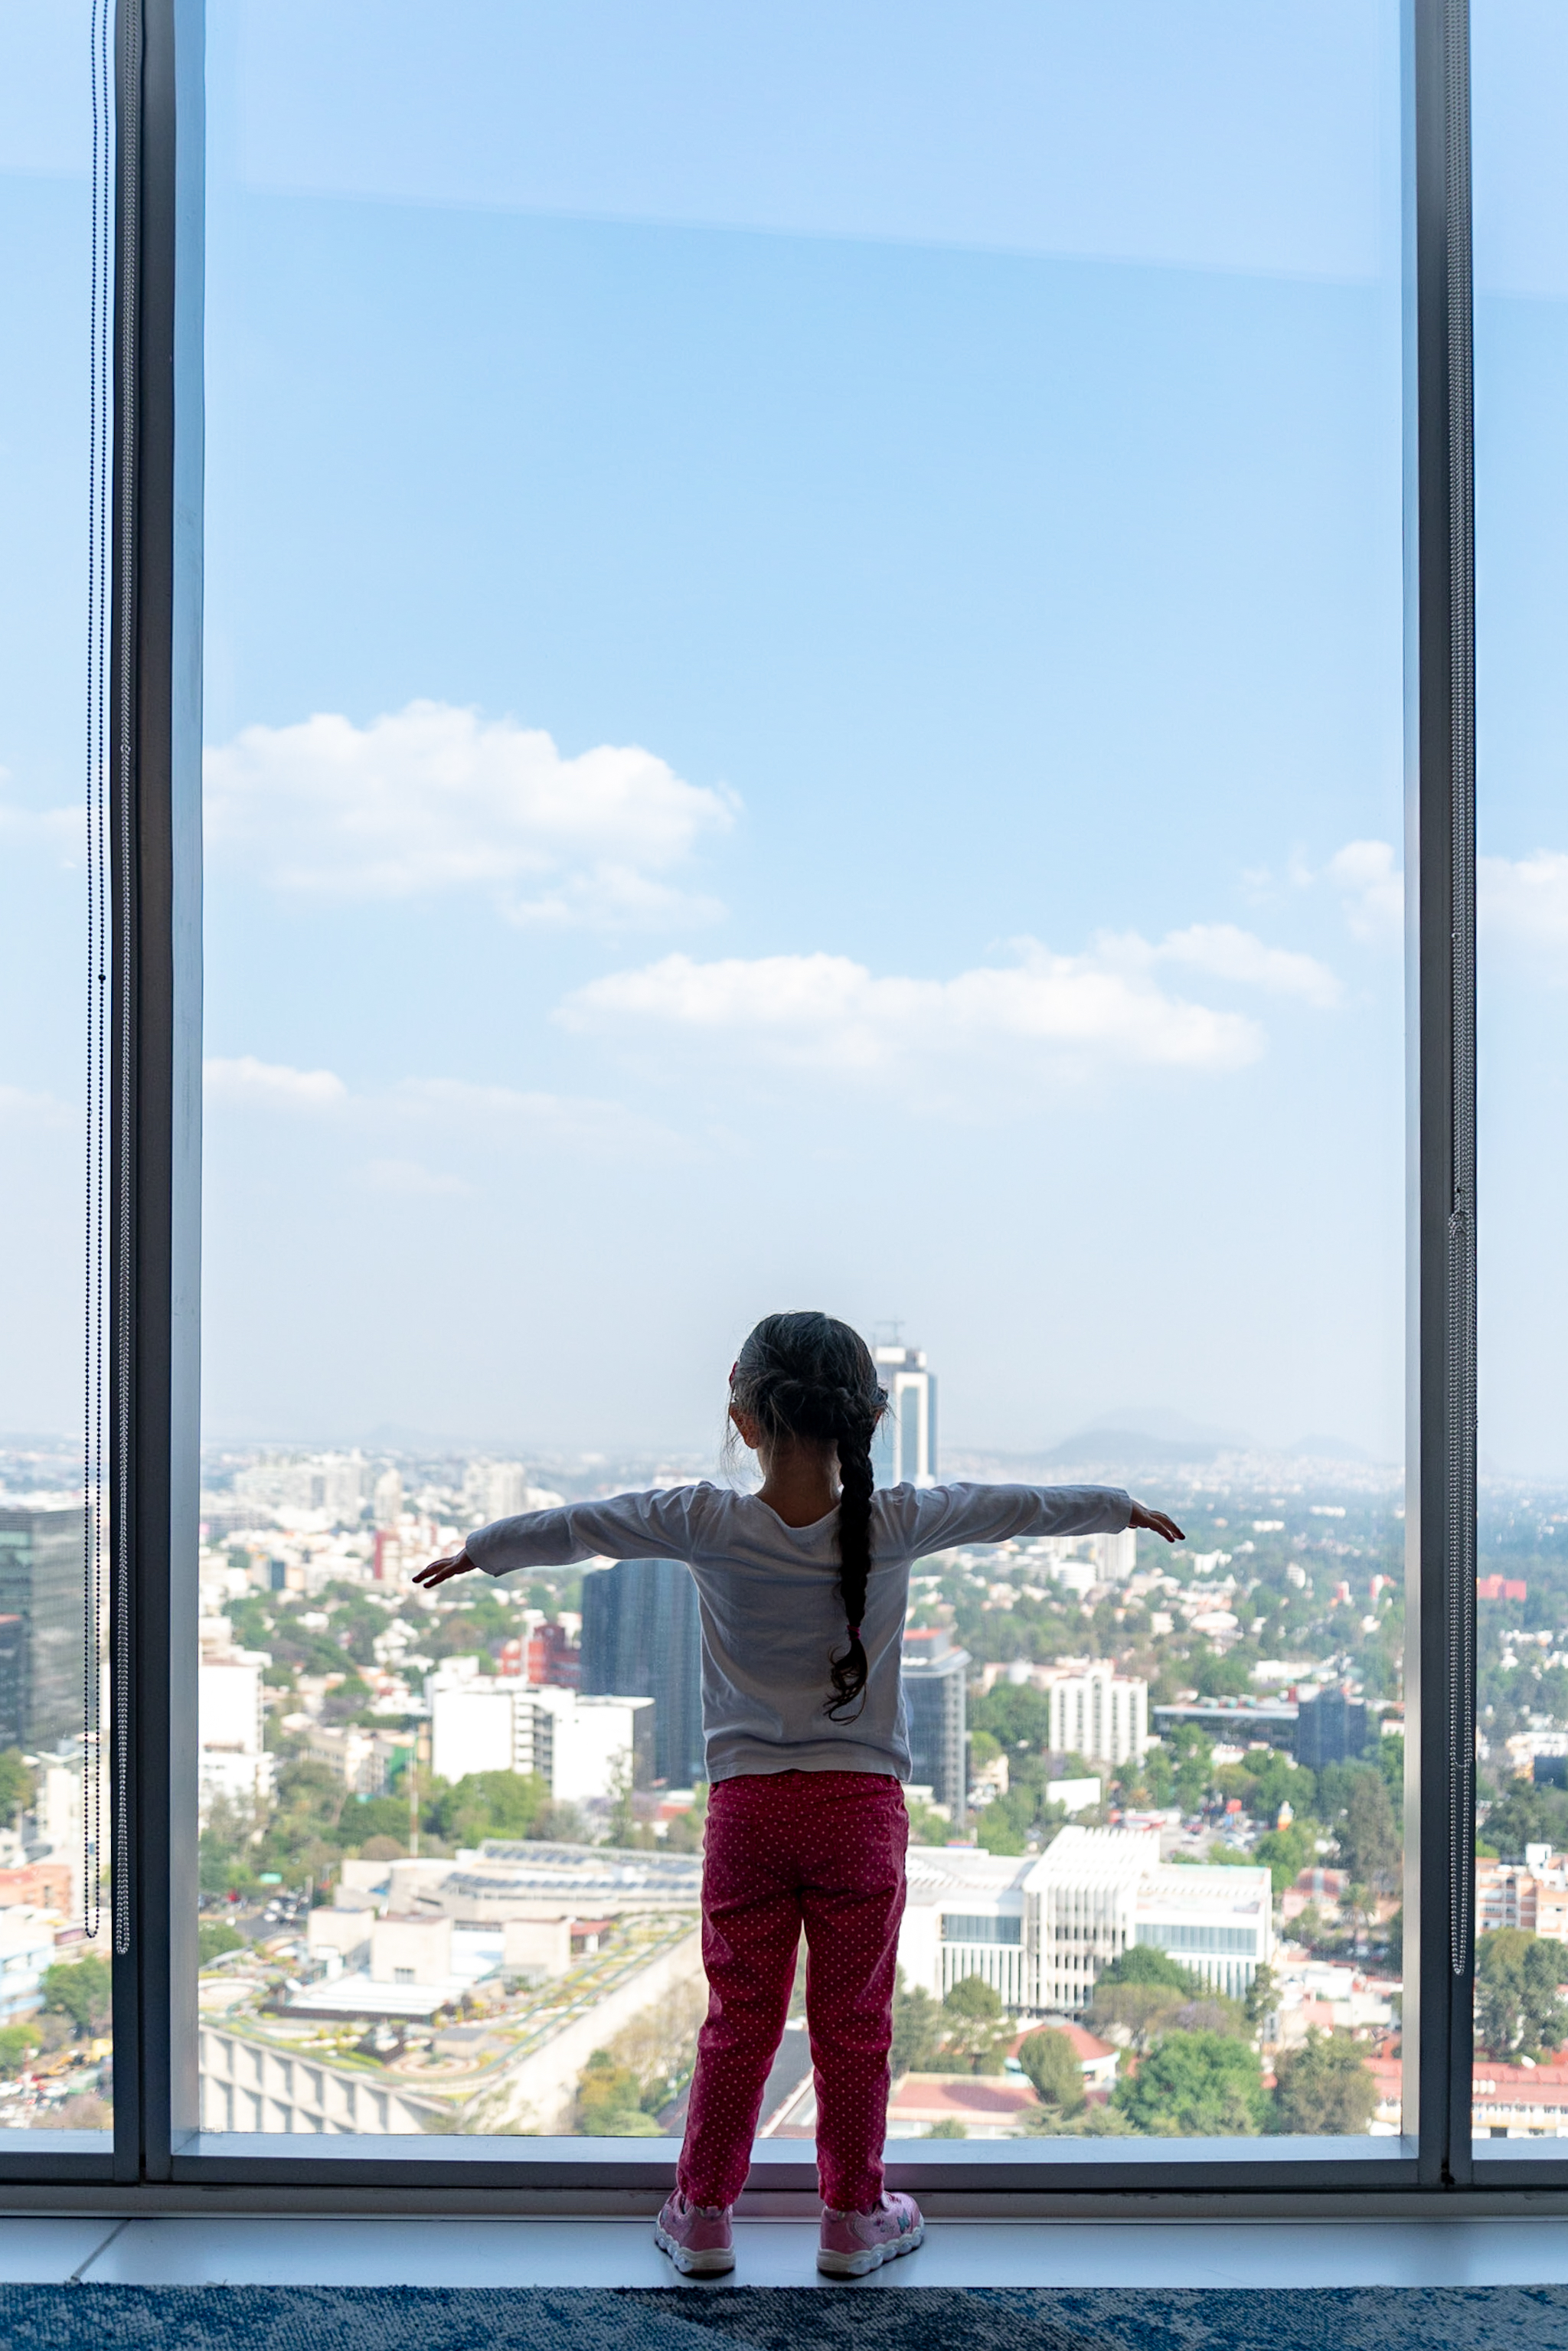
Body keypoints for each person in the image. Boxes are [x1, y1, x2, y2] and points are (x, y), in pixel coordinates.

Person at [415, 1309, 1182, 2276]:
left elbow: (580, 1527)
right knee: (853, 2025)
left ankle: (699, 2216)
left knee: (739, 2019)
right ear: (868, 1418)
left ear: (744, 1418)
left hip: (748, 1816)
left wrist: (479, 1548)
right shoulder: (896, 1520)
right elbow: (1014, 1507)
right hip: (860, 1814)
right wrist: (1118, 1505)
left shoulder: (706, 1521)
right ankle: (852, 2219)